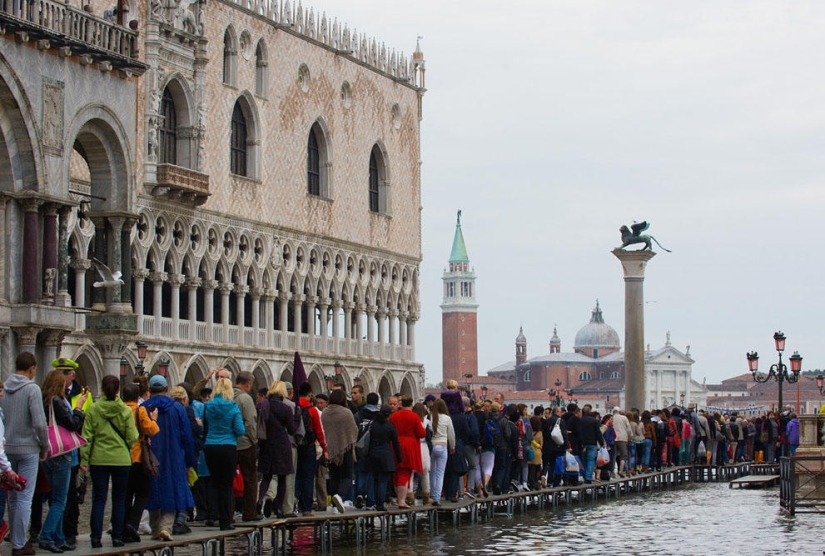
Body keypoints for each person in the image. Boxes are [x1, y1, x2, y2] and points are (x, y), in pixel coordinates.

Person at [80, 375, 138, 548]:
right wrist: (124, 446)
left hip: (99, 458)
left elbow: (87, 437)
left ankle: (96, 537)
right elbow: (132, 436)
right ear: (118, 390)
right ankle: (117, 537)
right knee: (119, 499)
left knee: (99, 498)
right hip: (121, 459)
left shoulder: (93, 409)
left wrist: (84, 459)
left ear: (103, 389)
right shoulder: (125, 411)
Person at [2, 352, 50, 556]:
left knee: (13, 497)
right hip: (29, 448)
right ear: (32, 368)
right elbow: (40, 422)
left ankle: (15, 537)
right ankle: (20, 544)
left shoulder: (5, 388)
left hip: (8, 447)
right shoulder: (32, 389)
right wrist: (45, 445)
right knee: (24, 497)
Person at [142, 375, 196, 541]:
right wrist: (189, 460)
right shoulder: (177, 408)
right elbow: (187, 436)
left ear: (150, 390)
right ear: (166, 389)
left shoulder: (143, 407)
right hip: (174, 455)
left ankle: (155, 528)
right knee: (173, 489)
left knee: (153, 489)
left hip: (150, 456)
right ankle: (166, 526)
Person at [38, 370, 86, 553]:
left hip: (47, 453)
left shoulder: (42, 401)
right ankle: (47, 535)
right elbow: (73, 425)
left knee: (56, 498)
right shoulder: (57, 401)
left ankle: (58, 537)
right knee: (60, 500)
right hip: (61, 454)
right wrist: (79, 409)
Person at [202, 378, 245, 530]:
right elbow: (240, 430)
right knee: (226, 486)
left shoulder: (207, 406)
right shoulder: (233, 407)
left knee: (213, 482)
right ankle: (225, 521)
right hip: (228, 447)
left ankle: (211, 515)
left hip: (210, 446)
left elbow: (204, 427)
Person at [256, 381, 299, 519]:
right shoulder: (285, 408)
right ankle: (279, 509)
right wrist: (297, 418)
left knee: (266, 476)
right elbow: (292, 429)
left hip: (266, 443)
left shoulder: (262, 405)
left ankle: (260, 499)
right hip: (281, 444)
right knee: (282, 477)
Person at [122, 383, 159, 543]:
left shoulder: (119, 409)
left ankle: (122, 527)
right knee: (143, 493)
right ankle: (132, 523)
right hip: (138, 458)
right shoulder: (139, 410)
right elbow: (151, 430)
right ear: (138, 397)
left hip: (121, 458)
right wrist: (154, 420)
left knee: (125, 494)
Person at [321, 390, 358, 513]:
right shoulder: (346, 413)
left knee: (334, 477)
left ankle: (333, 501)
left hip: (330, 449)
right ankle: (340, 496)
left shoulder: (325, 413)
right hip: (345, 448)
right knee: (347, 476)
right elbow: (354, 431)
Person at [295, 382, 326, 516]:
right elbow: (319, 431)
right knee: (308, 477)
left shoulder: (293, 407)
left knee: (296, 476)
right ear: (309, 394)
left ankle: (294, 505)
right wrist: (324, 447)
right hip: (309, 446)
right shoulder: (312, 410)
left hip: (295, 446)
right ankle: (307, 508)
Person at [389, 394, 425, 509]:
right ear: (411, 403)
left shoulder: (394, 416)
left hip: (395, 444)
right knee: (405, 473)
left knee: (396, 472)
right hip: (409, 445)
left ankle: (398, 498)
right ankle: (402, 501)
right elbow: (421, 433)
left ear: (401, 403)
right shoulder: (414, 416)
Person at [365, 405, 402, 511]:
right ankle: (380, 504)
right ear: (389, 415)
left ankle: (373, 501)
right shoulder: (390, 427)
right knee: (383, 481)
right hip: (386, 455)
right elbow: (395, 443)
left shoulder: (373, 425)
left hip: (373, 454)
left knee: (374, 479)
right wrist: (399, 458)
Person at [428, 399, 454, 506]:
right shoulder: (447, 418)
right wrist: (452, 446)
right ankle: (437, 497)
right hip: (442, 446)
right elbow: (451, 434)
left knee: (432, 472)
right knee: (440, 473)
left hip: (432, 446)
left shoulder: (430, 417)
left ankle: (432, 495)